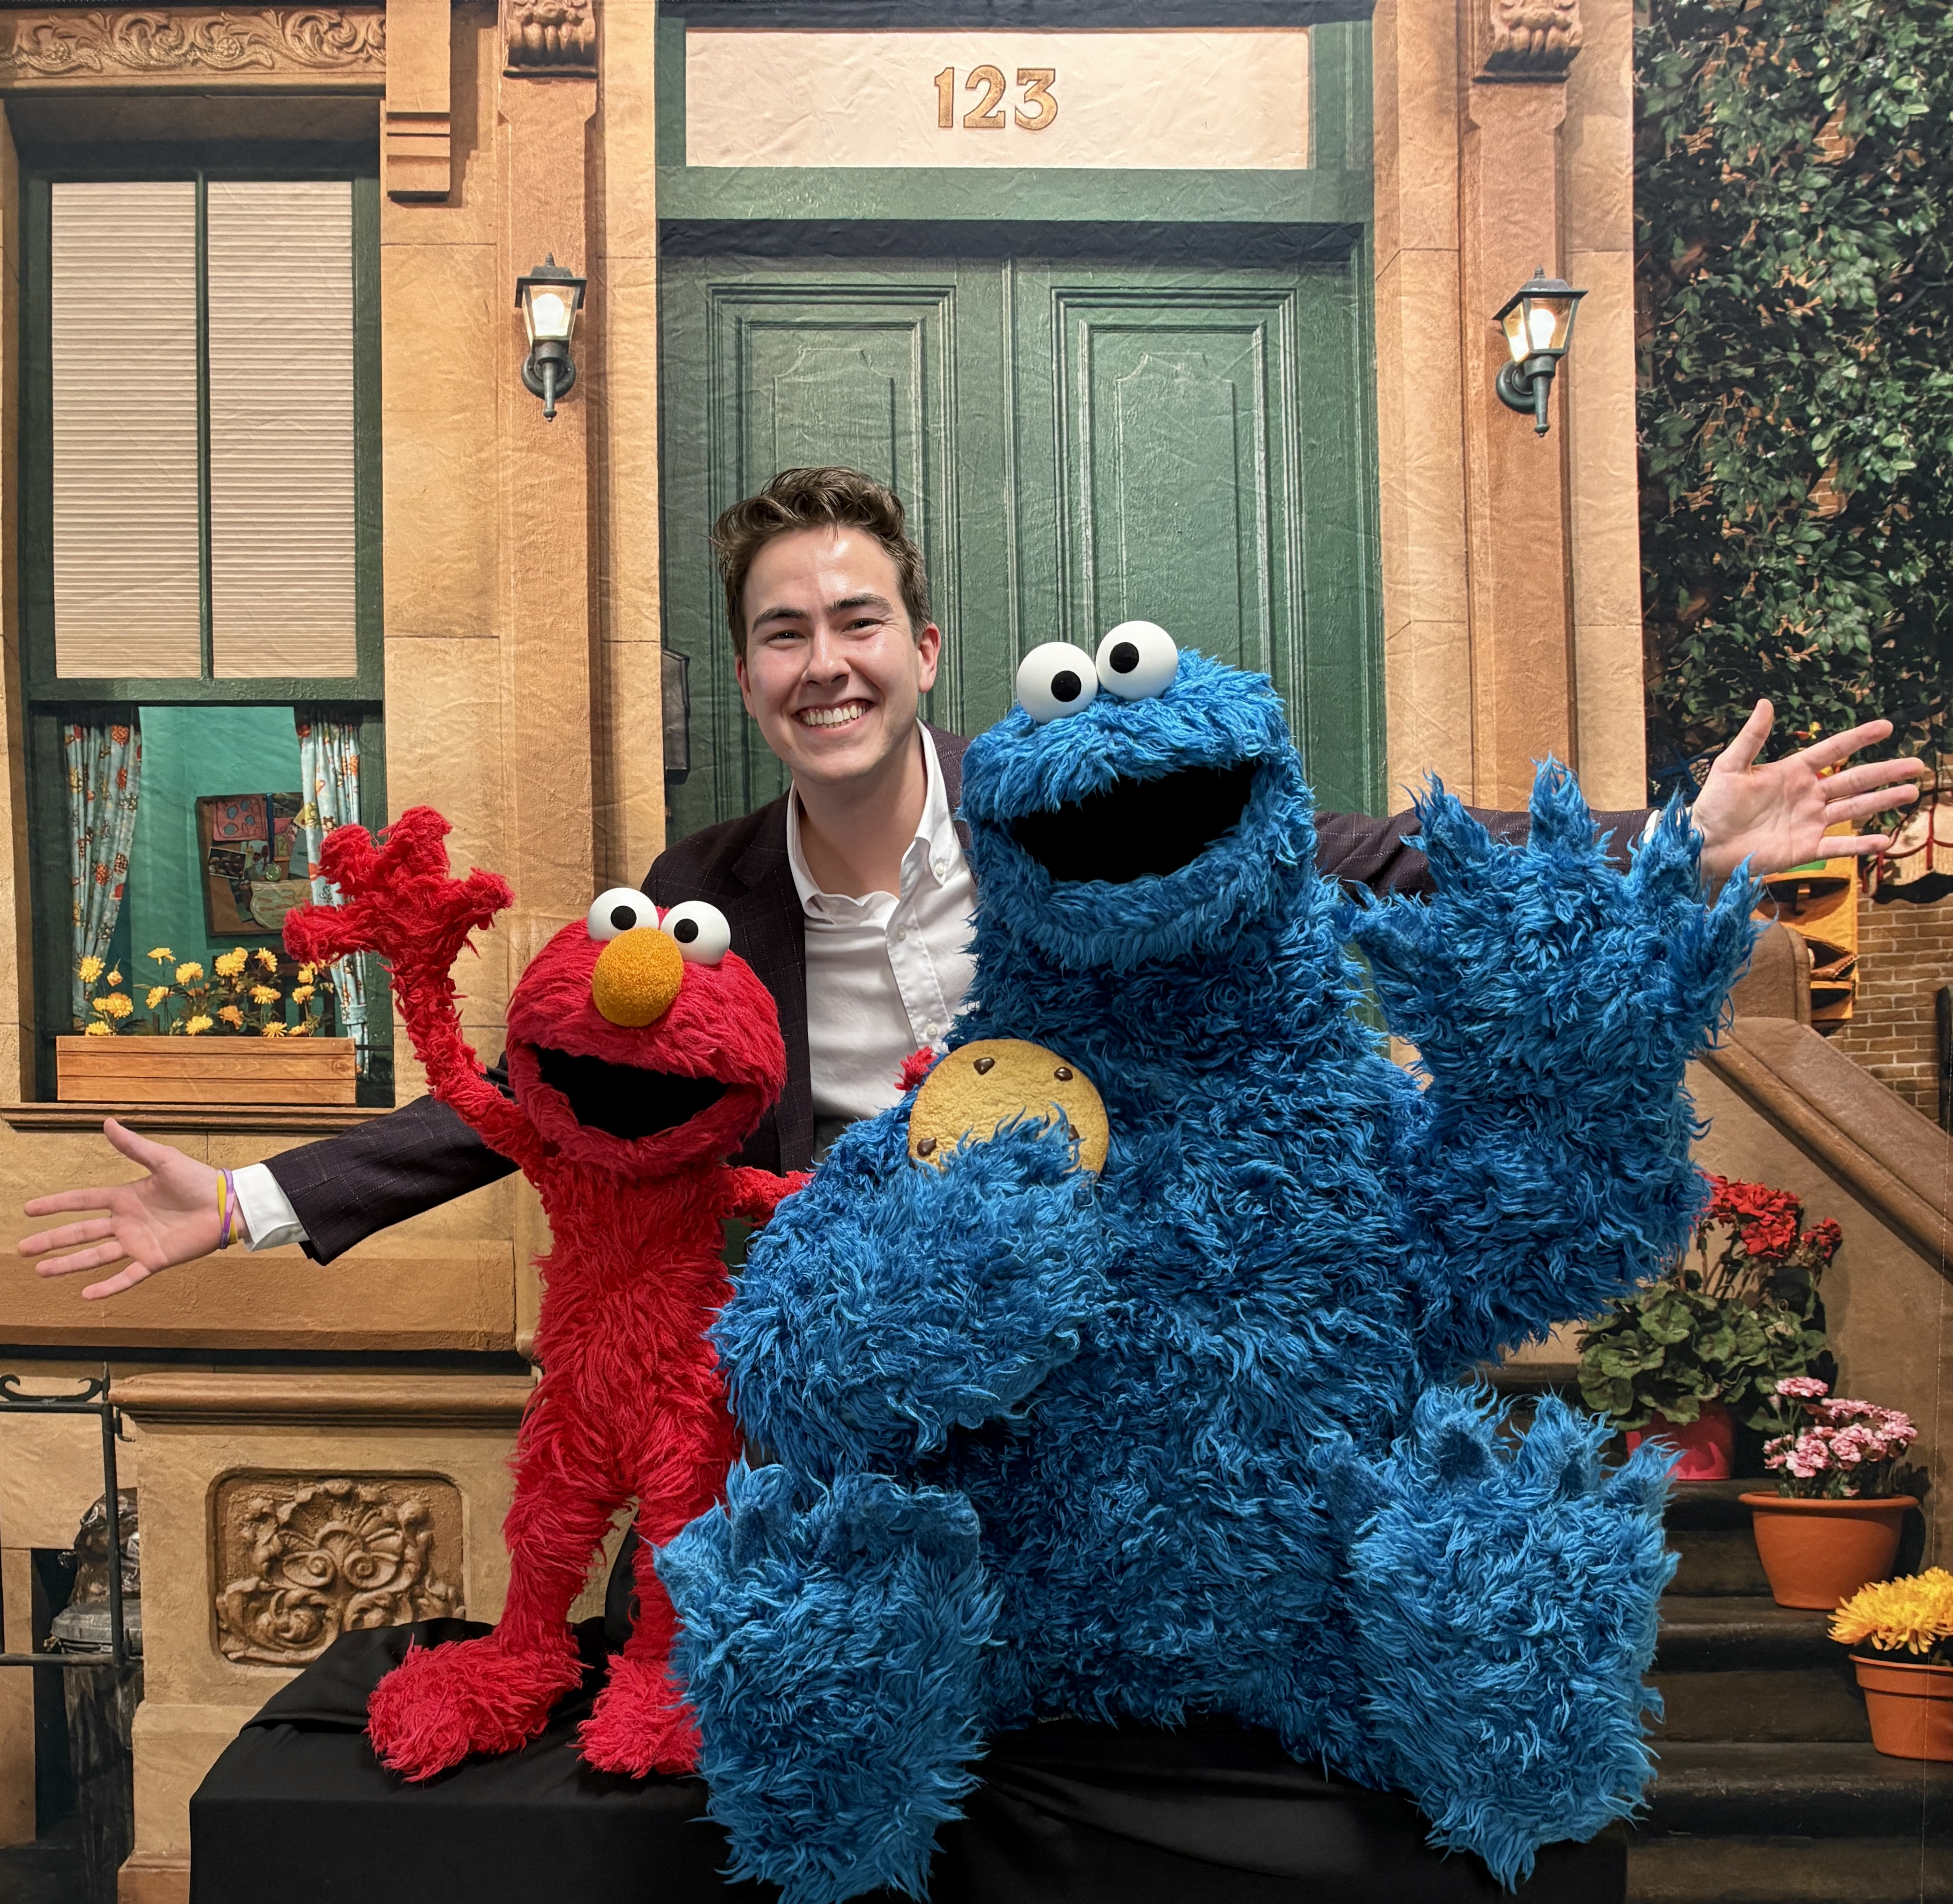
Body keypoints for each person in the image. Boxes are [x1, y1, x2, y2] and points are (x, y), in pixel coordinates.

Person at [17, 468, 1925, 1299]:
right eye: (781, 633)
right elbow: (539, 1111)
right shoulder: (692, 904)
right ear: (747, 677)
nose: (821, 660)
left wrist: (1672, 838)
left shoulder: (1064, 819)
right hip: (851, 1366)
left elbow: (1377, 848)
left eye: (856, 620)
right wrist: (259, 1195)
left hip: (1115, 1334)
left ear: (928, 650)